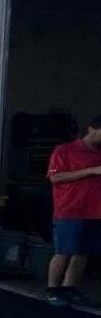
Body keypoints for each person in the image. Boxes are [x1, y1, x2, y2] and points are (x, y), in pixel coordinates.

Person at [46, 114, 101, 308]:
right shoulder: (65, 150)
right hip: (69, 210)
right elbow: (55, 178)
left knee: (83, 252)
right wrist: (91, 170)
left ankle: (70, 288)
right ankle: (52, 289)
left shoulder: (98, 153)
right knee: (64, 250)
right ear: (92, 129)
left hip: (94, 211)